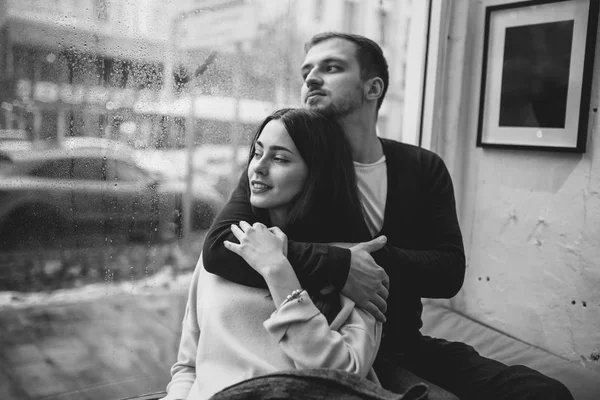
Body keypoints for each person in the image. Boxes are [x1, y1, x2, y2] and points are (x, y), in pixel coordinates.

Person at [201, 32, 574, 400]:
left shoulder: (421, 167)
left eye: (331, 67)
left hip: (403, 342)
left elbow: (448, 272)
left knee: (543, 392)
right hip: (325, 343)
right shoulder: (286, 162)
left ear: (373, 88)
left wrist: (365, 261)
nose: (311, 78)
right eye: (306, 72)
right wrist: (340, 262)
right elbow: (220, 249)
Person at [163, 108, 424, 400]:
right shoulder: (227, 246)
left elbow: (345, 376)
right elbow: (188, 367)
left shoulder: (358, 265)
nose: (257, 167)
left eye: (279, 158)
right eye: (257, 153)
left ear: (317, 174)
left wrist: (279, 271)